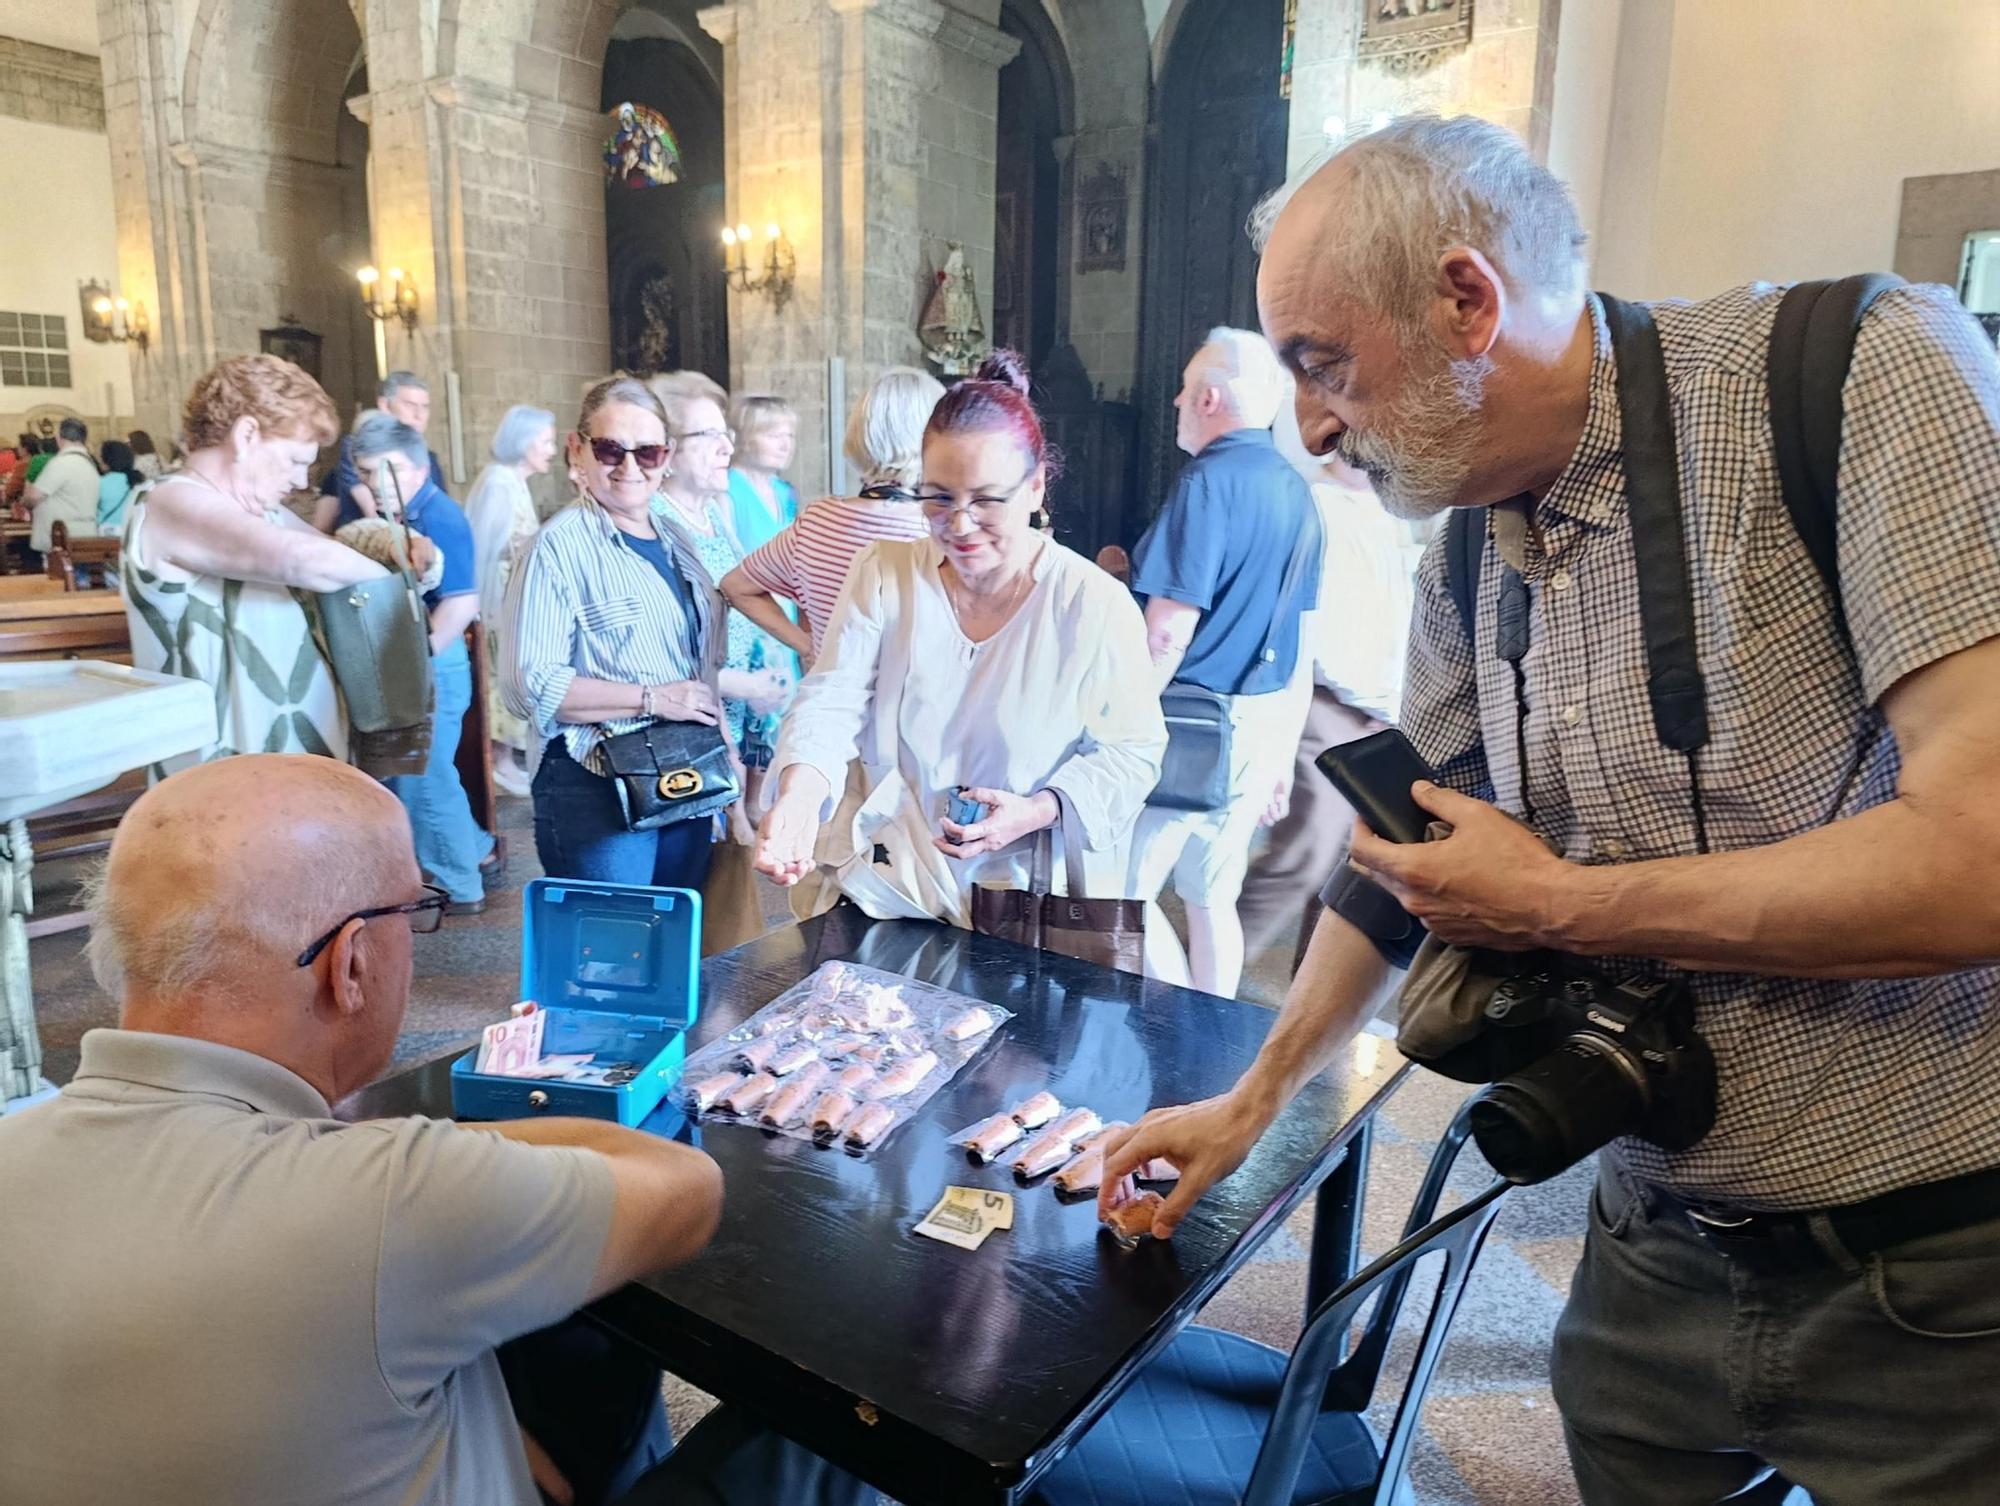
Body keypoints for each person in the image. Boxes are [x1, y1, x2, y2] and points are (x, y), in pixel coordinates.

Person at [1101, 114, 2000, 1506]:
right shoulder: (1469, 533)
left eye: (1323, 365)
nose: (1315, 427)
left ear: (1467, 299)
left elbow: (1979, 857)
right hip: (1653, 1238)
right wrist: (1254, 1099)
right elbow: (1399, 851)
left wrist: (1565, 908)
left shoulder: (1861, 373)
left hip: (1941, 1277)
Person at [0, 754, 729, 1506]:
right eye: (416, 913)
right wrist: (432, 1153)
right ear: (348, 964)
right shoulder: (391, 1195)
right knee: (800, 1445)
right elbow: (685, 1191)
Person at [753, 350, 1167, 938]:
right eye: (939, 497)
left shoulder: (1091, 604)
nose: (960, 525)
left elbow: (1134, 752)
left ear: (1035, 486)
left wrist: (1039, 809)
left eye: (987, 500)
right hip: (888, 882)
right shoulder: (885, 572)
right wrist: (797, 798)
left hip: (1022, 898)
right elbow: (831, 698)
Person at [1122, 328, 1323, 998]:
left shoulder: (1207, 486)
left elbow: (1166, 637)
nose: (1178, 399)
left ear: (1208, 397)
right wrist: (1281, 762)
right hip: (1260, 727)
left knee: (1118, 897)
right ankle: (1210, 1043)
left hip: (1190, 729)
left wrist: (1117, 730)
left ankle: (1180, 1019)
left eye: (1184, 388)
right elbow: (1303, 647)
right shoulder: (1298, 494)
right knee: (1212, 898)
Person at [120, 355, 409, 769]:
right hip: (223, 779)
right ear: (248, 434)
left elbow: (341, 552)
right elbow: (305, 559)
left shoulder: (261, 511)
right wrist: (396, 590)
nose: (299, 482)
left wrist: (402, 548)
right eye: (294, 460)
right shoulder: (166, 501)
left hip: (300, 763)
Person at [502, 376, 726, 891]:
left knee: (676, 948)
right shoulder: (556, 549)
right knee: (612, 960)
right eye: (609, 450)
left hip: (683, 773)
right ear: (576, 452)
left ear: (665, 458)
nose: (629, 468)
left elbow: (697, 668)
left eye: (646, 453)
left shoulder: (677, 541)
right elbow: (529, 686)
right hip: (594, 784)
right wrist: (653, 700)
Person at [1236, 415, 1414, 972]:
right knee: (1303, 855)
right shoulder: (1313, 503)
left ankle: (1305, 1005)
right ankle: (1202, 978)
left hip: (1379, 713)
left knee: (1353, 871)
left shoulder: (1389, 514)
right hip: (1323, 701)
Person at [350, 412, 495, 915]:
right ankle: (476, 851)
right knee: (426, 771)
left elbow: (462, 603)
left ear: (416, 468)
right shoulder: (408, 514)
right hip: (425, 661)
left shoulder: (439, 518)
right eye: (365, 474)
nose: (374, 484)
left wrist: (414, 660)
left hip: (435, 662)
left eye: (383, 471)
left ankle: (461, 887)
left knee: (426, 778)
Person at [721, 366, 943, 662]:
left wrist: (808, 646)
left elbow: (736, 587)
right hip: (912, 705)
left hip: (831, 700)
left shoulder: (817, 520)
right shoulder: (938, 529)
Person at [650, 371, 793, 774]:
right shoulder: (656, 522)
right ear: (669, 451)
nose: (726, 447)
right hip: (690, 727)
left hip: (735, 714)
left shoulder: (714, 510)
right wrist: (746, 686)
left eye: (725, 433)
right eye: (708, 436)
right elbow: (665, 649)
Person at [467, 404, 558, 796]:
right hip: (499, 601)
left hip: (516, 597)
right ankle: (499, 760)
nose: (551, 450)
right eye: (547, 442)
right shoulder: (499, 483)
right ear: (524, 443)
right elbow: (486, 549)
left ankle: (508, 757)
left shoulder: (514, 481)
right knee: (499, 681)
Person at [724, 393, 806, 768]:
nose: (784, 443)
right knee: (746, 719)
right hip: (743, 612)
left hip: (780, 611)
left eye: (789, 434)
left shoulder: (785, 493)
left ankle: (760, 805)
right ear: (745, 436)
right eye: (773, 433)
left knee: (779, 710)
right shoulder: (727, 488)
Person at [313, 370, 447, 532]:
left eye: (425, 407)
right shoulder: (355, 454)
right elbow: (322, 527)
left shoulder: (429, 459)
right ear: (384, 405)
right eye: (410, 405)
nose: (419, 415)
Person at [24, 417, 101, 558]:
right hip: (84, 533)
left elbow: (33, 496)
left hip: (61, 539)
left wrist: (26, 501)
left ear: (59, 438)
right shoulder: (90, 463)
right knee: (78, 578)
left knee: (62, 579)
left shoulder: (62, 463)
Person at [96, 438, 144, 536]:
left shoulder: (101, 482)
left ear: (107, 461)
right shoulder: (138, 481)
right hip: (132, 530)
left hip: (106, 532)